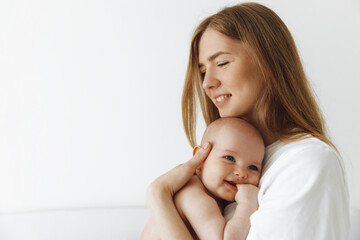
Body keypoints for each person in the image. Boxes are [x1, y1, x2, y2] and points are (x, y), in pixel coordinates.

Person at [143, 2, 350, 240]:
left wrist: (158, 197)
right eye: (202, 71)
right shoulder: (222, 167)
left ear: (268, 61)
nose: (207, 83)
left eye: (222, 63)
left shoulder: (306, 163)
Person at [141, 117, 265, 239]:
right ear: (201, 160)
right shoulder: (194, 196)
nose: (242, 173)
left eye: (253, 167)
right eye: (229, 158)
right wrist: (247, 204)